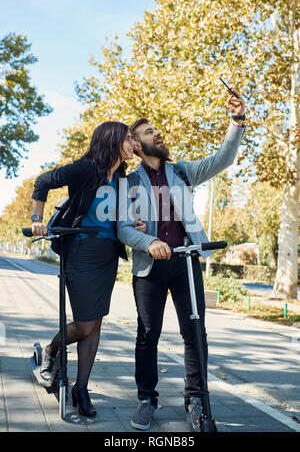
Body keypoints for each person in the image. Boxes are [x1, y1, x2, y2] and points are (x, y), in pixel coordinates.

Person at [117, 89, 246, 430]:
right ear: (136, 144)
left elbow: (222, 159)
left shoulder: (183, 172)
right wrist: (149, 241)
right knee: (148, 334)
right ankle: (146, 399)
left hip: (186, 262)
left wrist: (236, 122)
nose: (157, 133)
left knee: (195, 332)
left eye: (156, 130)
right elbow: (125, 229)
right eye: (148, 132)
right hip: (150, 267)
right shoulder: (128, 183)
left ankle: (197, 400)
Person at [30, 121, 145, 418]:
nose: (133, 143)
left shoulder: (122, 179)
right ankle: (51, 353)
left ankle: (81, 387)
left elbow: (119, 219)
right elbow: (43, 181)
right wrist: (36, 219)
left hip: (108, 256)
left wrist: (135, 225)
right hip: (81, 251)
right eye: (129, 138)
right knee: (83, 324)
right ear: (113, 140)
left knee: (95, 324)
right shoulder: (84, 168)